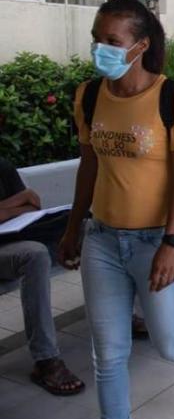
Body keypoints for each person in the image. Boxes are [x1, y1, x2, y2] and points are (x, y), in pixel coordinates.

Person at [57, 0, 174, 419]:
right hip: (102, 240)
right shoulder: (89, 96)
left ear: (140, 45)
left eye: (112, 40)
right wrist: (73, 227)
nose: (100, 49)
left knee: (169, 343)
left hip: (157, 241)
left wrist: (172, 242)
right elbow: (89, 166)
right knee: (108, 355)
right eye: (97, 39)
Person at [0, 159, 85, 396]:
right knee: (35, 255)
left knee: (88, 228)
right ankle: (46, 359)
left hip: (14, 240)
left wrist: (6, 210)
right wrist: (17, 202)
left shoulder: (3, 167)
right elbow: (26, 200)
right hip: (13, 249)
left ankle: (122, 316)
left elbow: (33, 205)